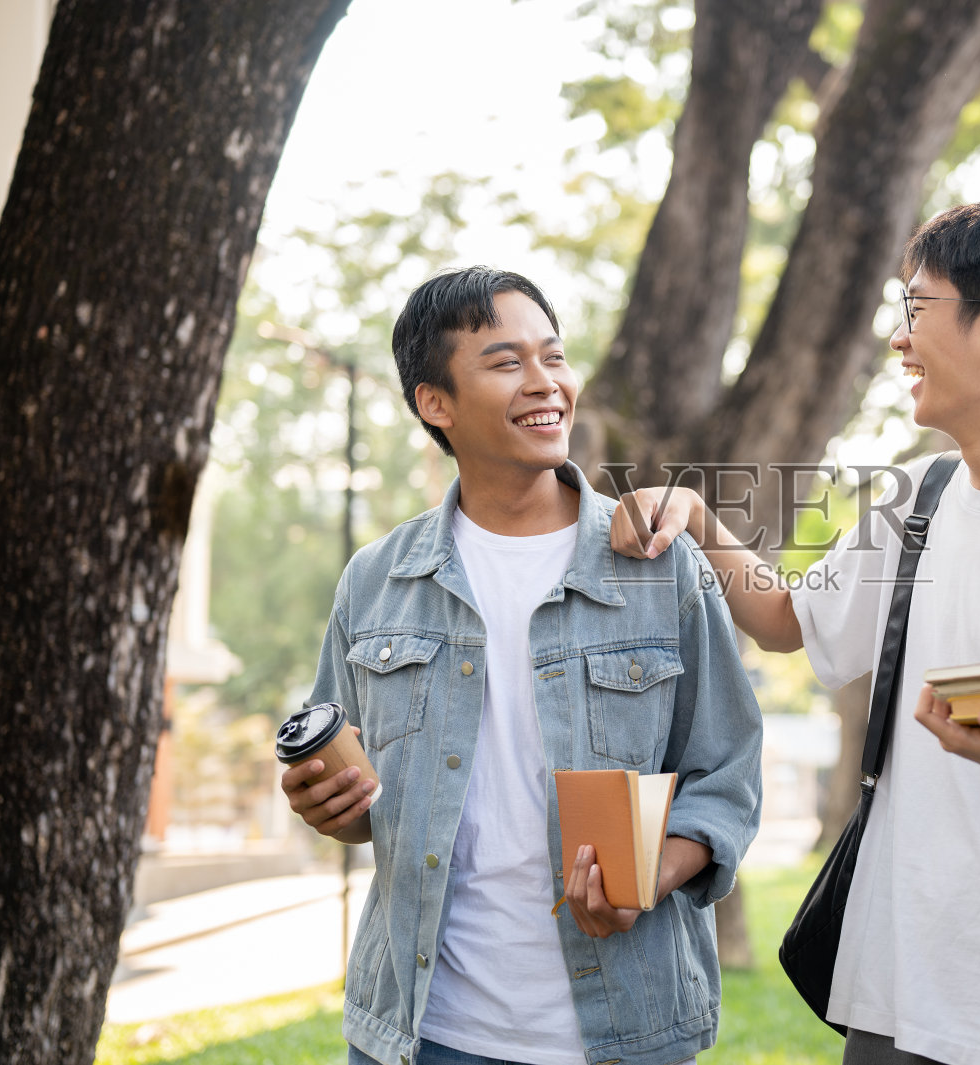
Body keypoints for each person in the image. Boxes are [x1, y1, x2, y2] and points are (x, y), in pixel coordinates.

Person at [613, 198, 980, 1065]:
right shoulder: (916, 499)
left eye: (916, 307)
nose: (898, 338)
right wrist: (703, 521)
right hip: (896, 991)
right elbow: (787, 622)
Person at [281, 267, 763, 1065]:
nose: (547, 384)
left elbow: (727, 773)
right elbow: (360, 792)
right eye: (507, 362)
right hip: (419, 1031)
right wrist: (329, 803)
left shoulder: (659, 566)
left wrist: (646, 875)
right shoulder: (377, 580)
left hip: (622, 1032)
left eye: (553, 356)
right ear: (435, 402)